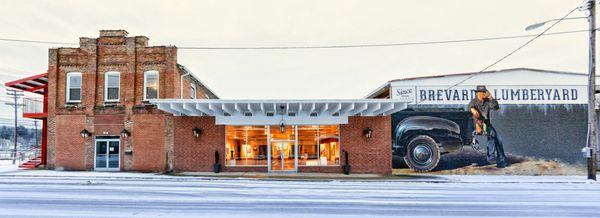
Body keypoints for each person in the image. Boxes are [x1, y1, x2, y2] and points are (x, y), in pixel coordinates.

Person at [468, 85, 508, 168]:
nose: (483, 94)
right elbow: (471, 108)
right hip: (475, 125)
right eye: (482, 93)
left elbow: (496, 107)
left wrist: (491, 98)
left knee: (498, 138)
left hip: (486, 124)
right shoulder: (473, 102)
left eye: (484, 93)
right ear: (478, 93)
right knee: (490, 135)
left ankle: (501, 160)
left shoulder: (487, 101)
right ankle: (491, 158)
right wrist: (474, 112)